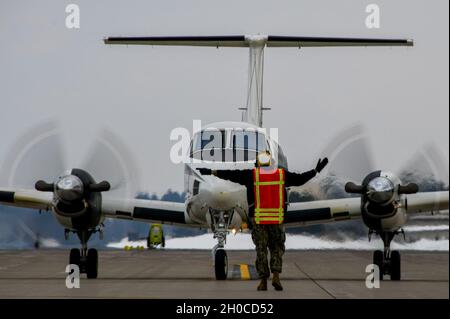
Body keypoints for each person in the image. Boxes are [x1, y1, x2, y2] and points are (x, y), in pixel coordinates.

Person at [198, 151, 328, 291]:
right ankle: (276, 276)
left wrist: (211, 171)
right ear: (270, 162)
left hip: (259, 220)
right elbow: (300, 179)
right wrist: (316, 171)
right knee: (276, 249)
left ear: (257, 163)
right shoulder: (281, 175)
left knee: (261, 250)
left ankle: (263, 281)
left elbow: (231, 174)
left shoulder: (251, 176)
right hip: (276, 219)